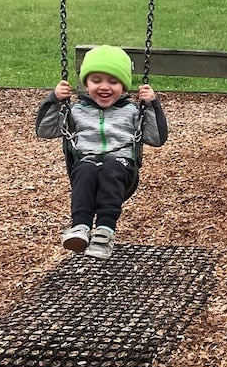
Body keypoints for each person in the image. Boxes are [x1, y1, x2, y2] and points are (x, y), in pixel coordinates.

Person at [36, 45, 168, 260]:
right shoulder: (76, 110)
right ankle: (80, 227)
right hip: (85, 160)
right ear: (86, 83)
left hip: (122, 166)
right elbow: (45, 131)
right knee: (85, 170)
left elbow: (156, 138)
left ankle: (105, 232)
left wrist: (151, 105)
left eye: (113, 81)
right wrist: (54, 100)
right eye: (96, 80)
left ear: (124, 86)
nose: (104, 87)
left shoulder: (133, 111)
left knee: (111, 168)